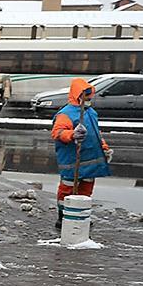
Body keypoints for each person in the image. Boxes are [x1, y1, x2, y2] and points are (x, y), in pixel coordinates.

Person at [51, 77, 112, 230]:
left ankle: (80, 215)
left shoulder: (91, 113)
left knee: (86, 190)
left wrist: (104, 147)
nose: (89, 100)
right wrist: (72, 135)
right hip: (73, 160)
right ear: (78, 95)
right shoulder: (66, 114)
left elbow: (96, 134)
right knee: (67, 189)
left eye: (90, 97)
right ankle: (63, 217)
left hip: (90, 159)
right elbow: (58, 133)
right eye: (87, 97)